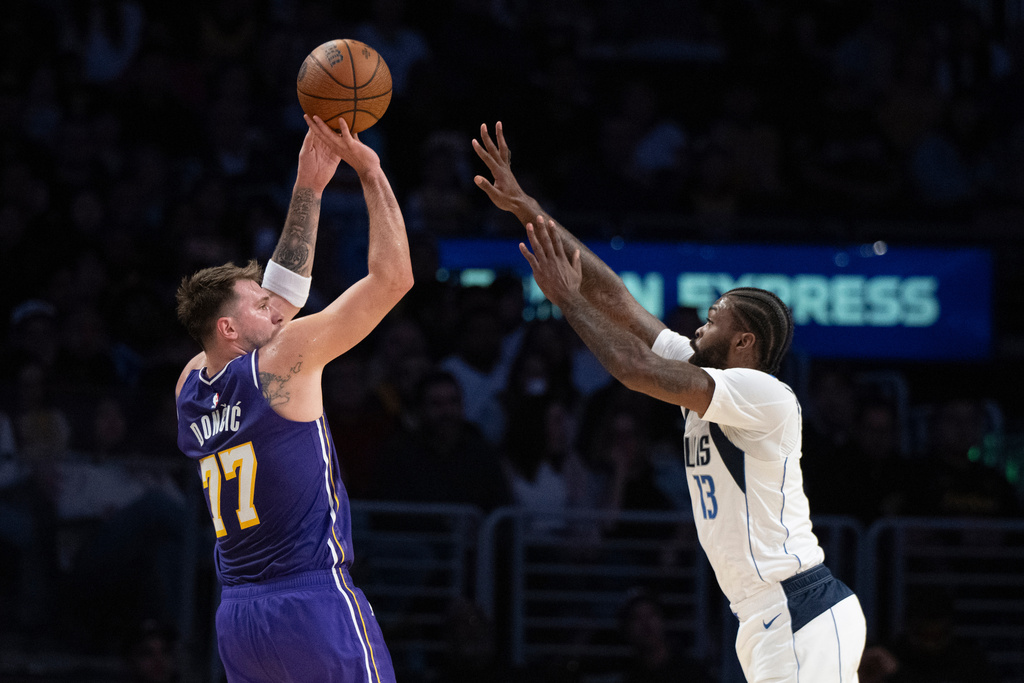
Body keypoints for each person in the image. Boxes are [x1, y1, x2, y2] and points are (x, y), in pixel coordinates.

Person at [472, 121, 865, 682]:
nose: (697, 328)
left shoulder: (762, 393)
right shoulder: (707, 374)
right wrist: (528, 207)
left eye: (711, 321)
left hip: (798, 607)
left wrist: (562, 298)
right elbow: (619, 303)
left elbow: (632, 369)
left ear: (744, 341)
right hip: (765, 614)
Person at [174, 114, 412, 683]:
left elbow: (282, 293)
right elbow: (394, 278)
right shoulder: (285, 360)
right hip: (311, 604)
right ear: (229, 329)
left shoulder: (188, 385)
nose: (277, 311)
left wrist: (309, 186)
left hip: (239, 618)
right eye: (259, 306)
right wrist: (371, 171)